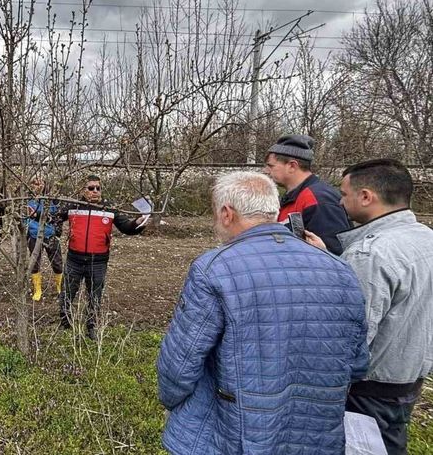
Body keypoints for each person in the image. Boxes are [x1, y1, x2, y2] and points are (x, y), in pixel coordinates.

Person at [158, 171, 369, 455]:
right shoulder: (339, 269)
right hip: (316, 433)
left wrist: (172, 400)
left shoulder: (214, 269)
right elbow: (356, 363)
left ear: (226, 213)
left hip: (233, 432)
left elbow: (180, 364)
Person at [307, 159, 433, 455]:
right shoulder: (425, 239)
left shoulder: (370, 254)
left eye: (344, 193)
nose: (339, 200)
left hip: (369, 390)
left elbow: (353, 336)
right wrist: (334, 261)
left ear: (366, 196)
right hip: (408, 379)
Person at [56, 175, 146, 339]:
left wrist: (138, 222)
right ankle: (65, 323)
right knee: (67, 293)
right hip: (74, 260)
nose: (95, 191)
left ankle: (91, 327)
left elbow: (126, 227)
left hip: (98, 262)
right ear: (83, 190)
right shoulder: (73, 206)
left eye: (98, 188)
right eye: (91, 188)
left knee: (94, 297)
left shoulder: (109, 208)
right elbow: (53, 218)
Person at [263, 134, 349, 254]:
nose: (265, 170)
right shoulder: (295, 196)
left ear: (292, 166)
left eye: (270, 165)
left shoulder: (318, 199)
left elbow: (333, 254)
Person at [24, 177, 63, 301]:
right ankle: (38, 289)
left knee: (57, 262)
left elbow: (57, 216)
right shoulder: (27, 200)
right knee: (35, 263)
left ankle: (60, 287)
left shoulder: (51, 200)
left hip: (50, 235)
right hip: (34, 235)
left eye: (40, 183)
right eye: (34, 183)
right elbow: (24, 217)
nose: (37, 186)